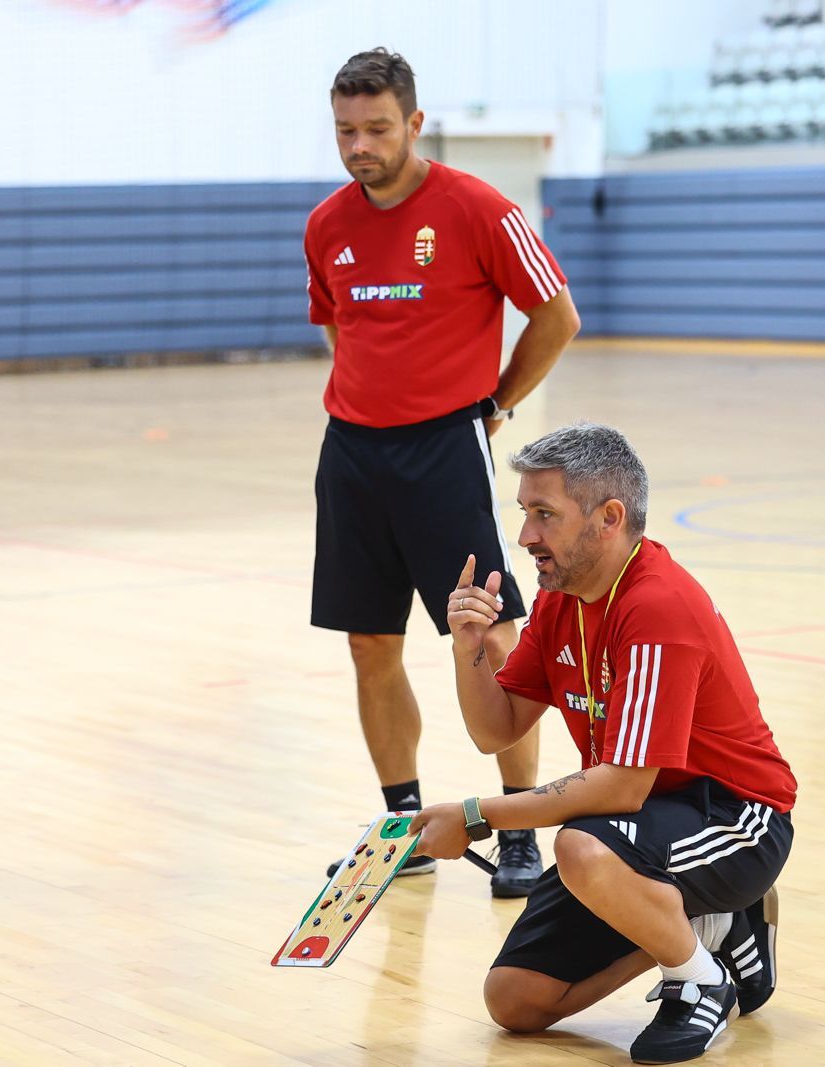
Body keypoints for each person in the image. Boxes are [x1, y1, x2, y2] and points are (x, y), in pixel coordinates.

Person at [410, 423, 796, 1064]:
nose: (526, 536)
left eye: (545, 515)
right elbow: (495, 730)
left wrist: (476, 817)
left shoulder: (659, 605)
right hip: (637, 824)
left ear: (609, 518)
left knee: (580, 847)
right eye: (524, 513)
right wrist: (468, 648)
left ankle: (698, 979)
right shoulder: (561, 598)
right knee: (515, 1001)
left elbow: (621, 784)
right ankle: (710, 926)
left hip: (734, 817)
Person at [305, 48, 582, 897]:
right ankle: (403, 829)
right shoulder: (325, 225)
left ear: (415, 124)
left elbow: (556, 314)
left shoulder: (478, 209)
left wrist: (495, 403)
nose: (360, 146)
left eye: (377, 129)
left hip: (444, 452)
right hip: (352, 455)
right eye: (346, 131)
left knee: (491, 637)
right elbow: (339, 328)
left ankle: (521, 826)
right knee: (369, 644)